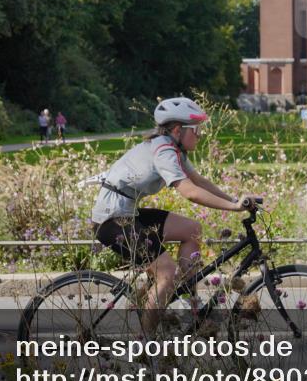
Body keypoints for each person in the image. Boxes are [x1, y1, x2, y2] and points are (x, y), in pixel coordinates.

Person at [90, 97, 259, 335]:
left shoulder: (174, 149)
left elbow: (198, 181)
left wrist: (234, 201)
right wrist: (233, 208)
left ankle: (188, 302)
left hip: (128, 214)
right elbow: (190, 192)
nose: (200, 135)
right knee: (166, 274)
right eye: (196, 129)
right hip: (111, 221)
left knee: (192, 229)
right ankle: (145, 345)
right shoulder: (164, 151)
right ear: (178, 130)